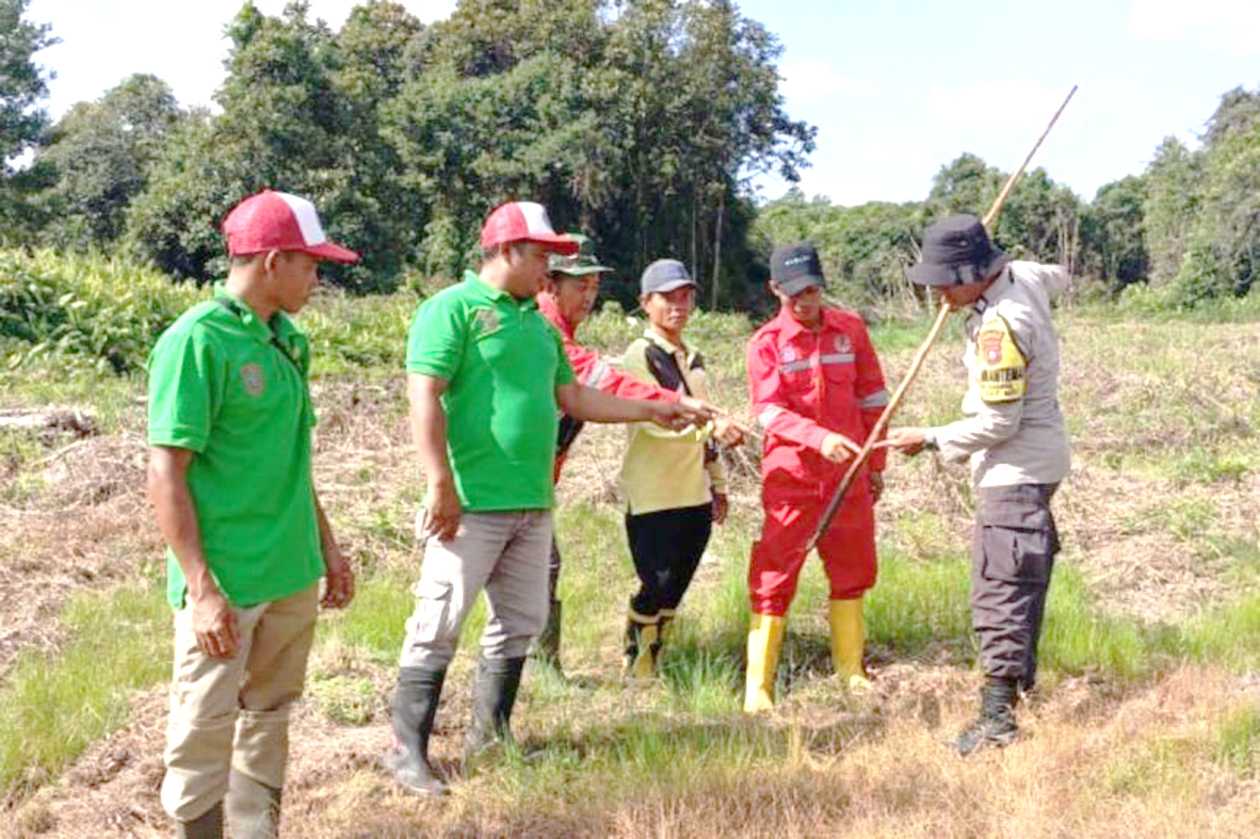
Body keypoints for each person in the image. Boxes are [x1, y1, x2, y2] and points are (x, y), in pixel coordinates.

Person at [385, 202, 707, 797]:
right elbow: (424, 395)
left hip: (532, 502)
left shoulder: (536, 323)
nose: (548, 271)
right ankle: (407, 754)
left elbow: (575, 398)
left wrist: (659, 406)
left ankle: (491, 738)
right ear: (506, 251)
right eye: (541, 257)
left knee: (518, 625)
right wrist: (439, 484)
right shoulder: (450, 311)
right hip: (471, 502)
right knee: (439, 622)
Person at [146, 190, 357, 839]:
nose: (317, 279)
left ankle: (254, 831)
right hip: (229, 584)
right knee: (204, 728)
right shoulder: (196, 342)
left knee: (268, 716)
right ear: (272, 260)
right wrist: (203, 589)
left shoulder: (287, 341)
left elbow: (293, 458)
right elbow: (166, 471)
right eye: (310, 264)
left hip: (289, 574)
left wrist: (327, 547)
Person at [886, 213, 1070, 756]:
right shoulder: (1024, 277)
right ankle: (1022, 692)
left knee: (1001, 590)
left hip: (1015, 470)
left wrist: (931, 438)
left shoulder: (1000, 327)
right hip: (1038, 463)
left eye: (946, 280)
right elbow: (1057, 273)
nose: (939, 292)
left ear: (975, 271)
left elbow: (999, 423)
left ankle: (997, 721)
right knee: (1021, 580)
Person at [533, 235, 707, 673]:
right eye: (580, 286)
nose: (589, 296)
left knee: (542, 566)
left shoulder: (560, 333)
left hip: (537, 477)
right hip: (506, 478)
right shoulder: (540, 330)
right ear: (550, 285)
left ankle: (538, 671)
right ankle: (534, 671)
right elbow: (598, 380)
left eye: (594, 286)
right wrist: (666, 403)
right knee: (533, 568)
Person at [743, 243, 890, 713]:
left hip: (849, 476)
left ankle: (851, 671)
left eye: (812, 290)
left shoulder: (852, 330)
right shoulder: (765, 344)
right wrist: (817, 437)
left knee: (853, 569)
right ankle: (758, 688)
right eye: (793, 295)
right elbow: (768, 412)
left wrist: (876, 464)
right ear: (774, 291)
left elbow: (872, 399)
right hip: (793, 478)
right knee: (774, 574)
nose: (805, 302)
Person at [617, 259, 744, 679]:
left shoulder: (692, 357)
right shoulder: (641, 356)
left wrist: (719, 484)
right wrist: (710, 426)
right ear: (645, 303)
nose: (678, 305)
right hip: (653, 491)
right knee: (656, 581)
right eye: (667, 297)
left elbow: (708, 425)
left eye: (685, 296)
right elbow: (650, 421)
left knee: (678, 582)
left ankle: (657, 652)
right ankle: (638, 661)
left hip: (694, 491)